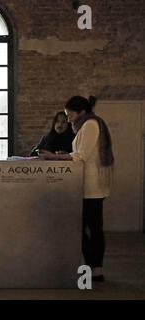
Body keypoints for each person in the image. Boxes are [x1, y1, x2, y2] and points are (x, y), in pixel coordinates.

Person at [40, 96, 114, 282]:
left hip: (90, 185)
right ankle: (93, 267)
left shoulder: (89, 125)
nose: (69, 119)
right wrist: (67, 155)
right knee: (89, 227)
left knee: (90, 228)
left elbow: (81, 155)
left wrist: (53, 157)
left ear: (80, 112)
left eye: (70, 115)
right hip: (88, 184)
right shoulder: (87, 124)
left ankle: (94, 268)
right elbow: (82, 153)